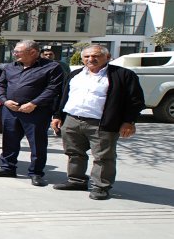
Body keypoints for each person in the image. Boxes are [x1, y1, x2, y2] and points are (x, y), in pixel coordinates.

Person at [51, 44, 145, 200]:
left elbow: (135, 101)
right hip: (72, 120)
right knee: (74, 153)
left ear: (107, 57)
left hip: (102, 123)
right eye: (87, 56)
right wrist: (57, 115)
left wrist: (129, 121)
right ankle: (76, 180)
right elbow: (62, 96)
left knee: (103, 157)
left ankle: (101, 187)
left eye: (96, 56)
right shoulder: (75, 74)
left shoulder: (122, 75)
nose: (91, 59)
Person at [0, 40, 65, 186]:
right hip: (11, 111)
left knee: (37, 143)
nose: (14, 54)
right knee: (9, 141)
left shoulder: (52, 67)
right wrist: (5, 101)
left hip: (36, 112)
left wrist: (34, 103)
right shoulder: (10, 67)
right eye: (14, 51)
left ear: (33, 52)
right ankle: (7, 167)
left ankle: (36, 172)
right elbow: (0, 85)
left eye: (18, 52)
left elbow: (53, 89)